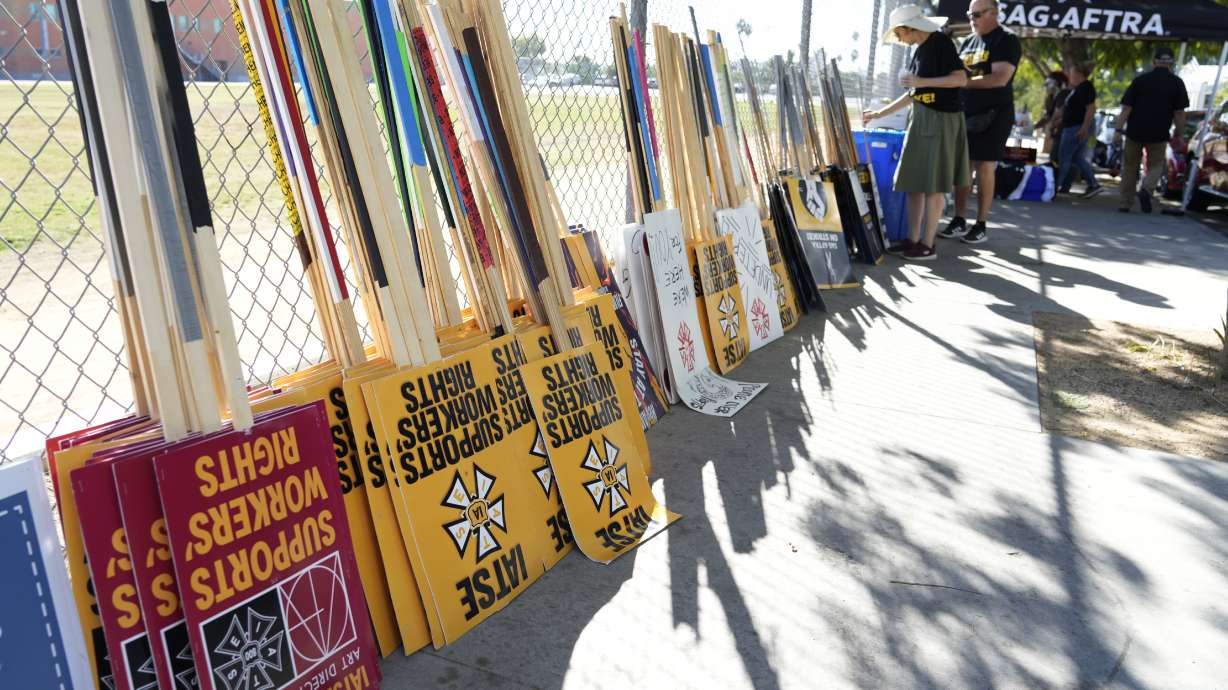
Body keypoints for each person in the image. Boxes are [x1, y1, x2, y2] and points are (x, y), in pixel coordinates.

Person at [864, 5, 969, 261]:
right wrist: (880, 114)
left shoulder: (940, 43)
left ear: (909, 27)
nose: (899, 39)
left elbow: (960, 79)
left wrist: (923, 82)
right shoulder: (919, 50)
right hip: (921, 119)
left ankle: (927, 244)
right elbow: (914, 94)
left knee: (933, 185)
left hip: (941, 119)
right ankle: (912, 240)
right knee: (914, 182)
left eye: (899, 33)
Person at [938, 0, 1020, 245]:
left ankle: (981, 224)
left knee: (985, 167)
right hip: (965, 113)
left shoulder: (1006, 39)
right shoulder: (968, 42)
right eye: (969, 14)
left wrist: (962, 82)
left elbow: (1000, 78)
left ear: (994, 13)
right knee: (963, 168)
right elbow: (956, 75)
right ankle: (959, 219)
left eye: (977, 14)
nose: (972, 19)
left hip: (995, 114)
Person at [1115, 46, 1190, 213]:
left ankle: (1125, 203)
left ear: (1154, 61)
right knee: (1156, 165)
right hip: (1159, 132)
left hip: (1135, 131)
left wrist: (1118, 131)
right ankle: (1146, 189)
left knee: (1130, 166)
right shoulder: (1177, 83)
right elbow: (1179, 113)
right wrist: (1179, 133)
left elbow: (1126, 108)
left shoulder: (1140, 80)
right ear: (1171, 62)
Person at [1055, 63, 1106, 199]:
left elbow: (1090, 108)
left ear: (1078, 74)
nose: (1070, 76)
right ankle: (1093, 184)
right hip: (1072, 126)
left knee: (1064, 158)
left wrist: (1084, 128)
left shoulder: (1085, 87)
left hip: (1075, 128)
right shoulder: (1077, 89)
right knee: (1077, 158)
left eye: (1072, 73)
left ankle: (1054, 187)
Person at [1036, 71, 1069, 161]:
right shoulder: (1052, 98)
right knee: (1054, 158)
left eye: (1048, 84)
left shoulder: (1064, 94)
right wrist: (1033, 126)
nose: (1046, 87)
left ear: (1058, 84)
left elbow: (1058, 113)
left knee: (1057, 159)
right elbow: (1047, 116)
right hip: (1059, 133)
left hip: (1067, 133)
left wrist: (1050, 126)